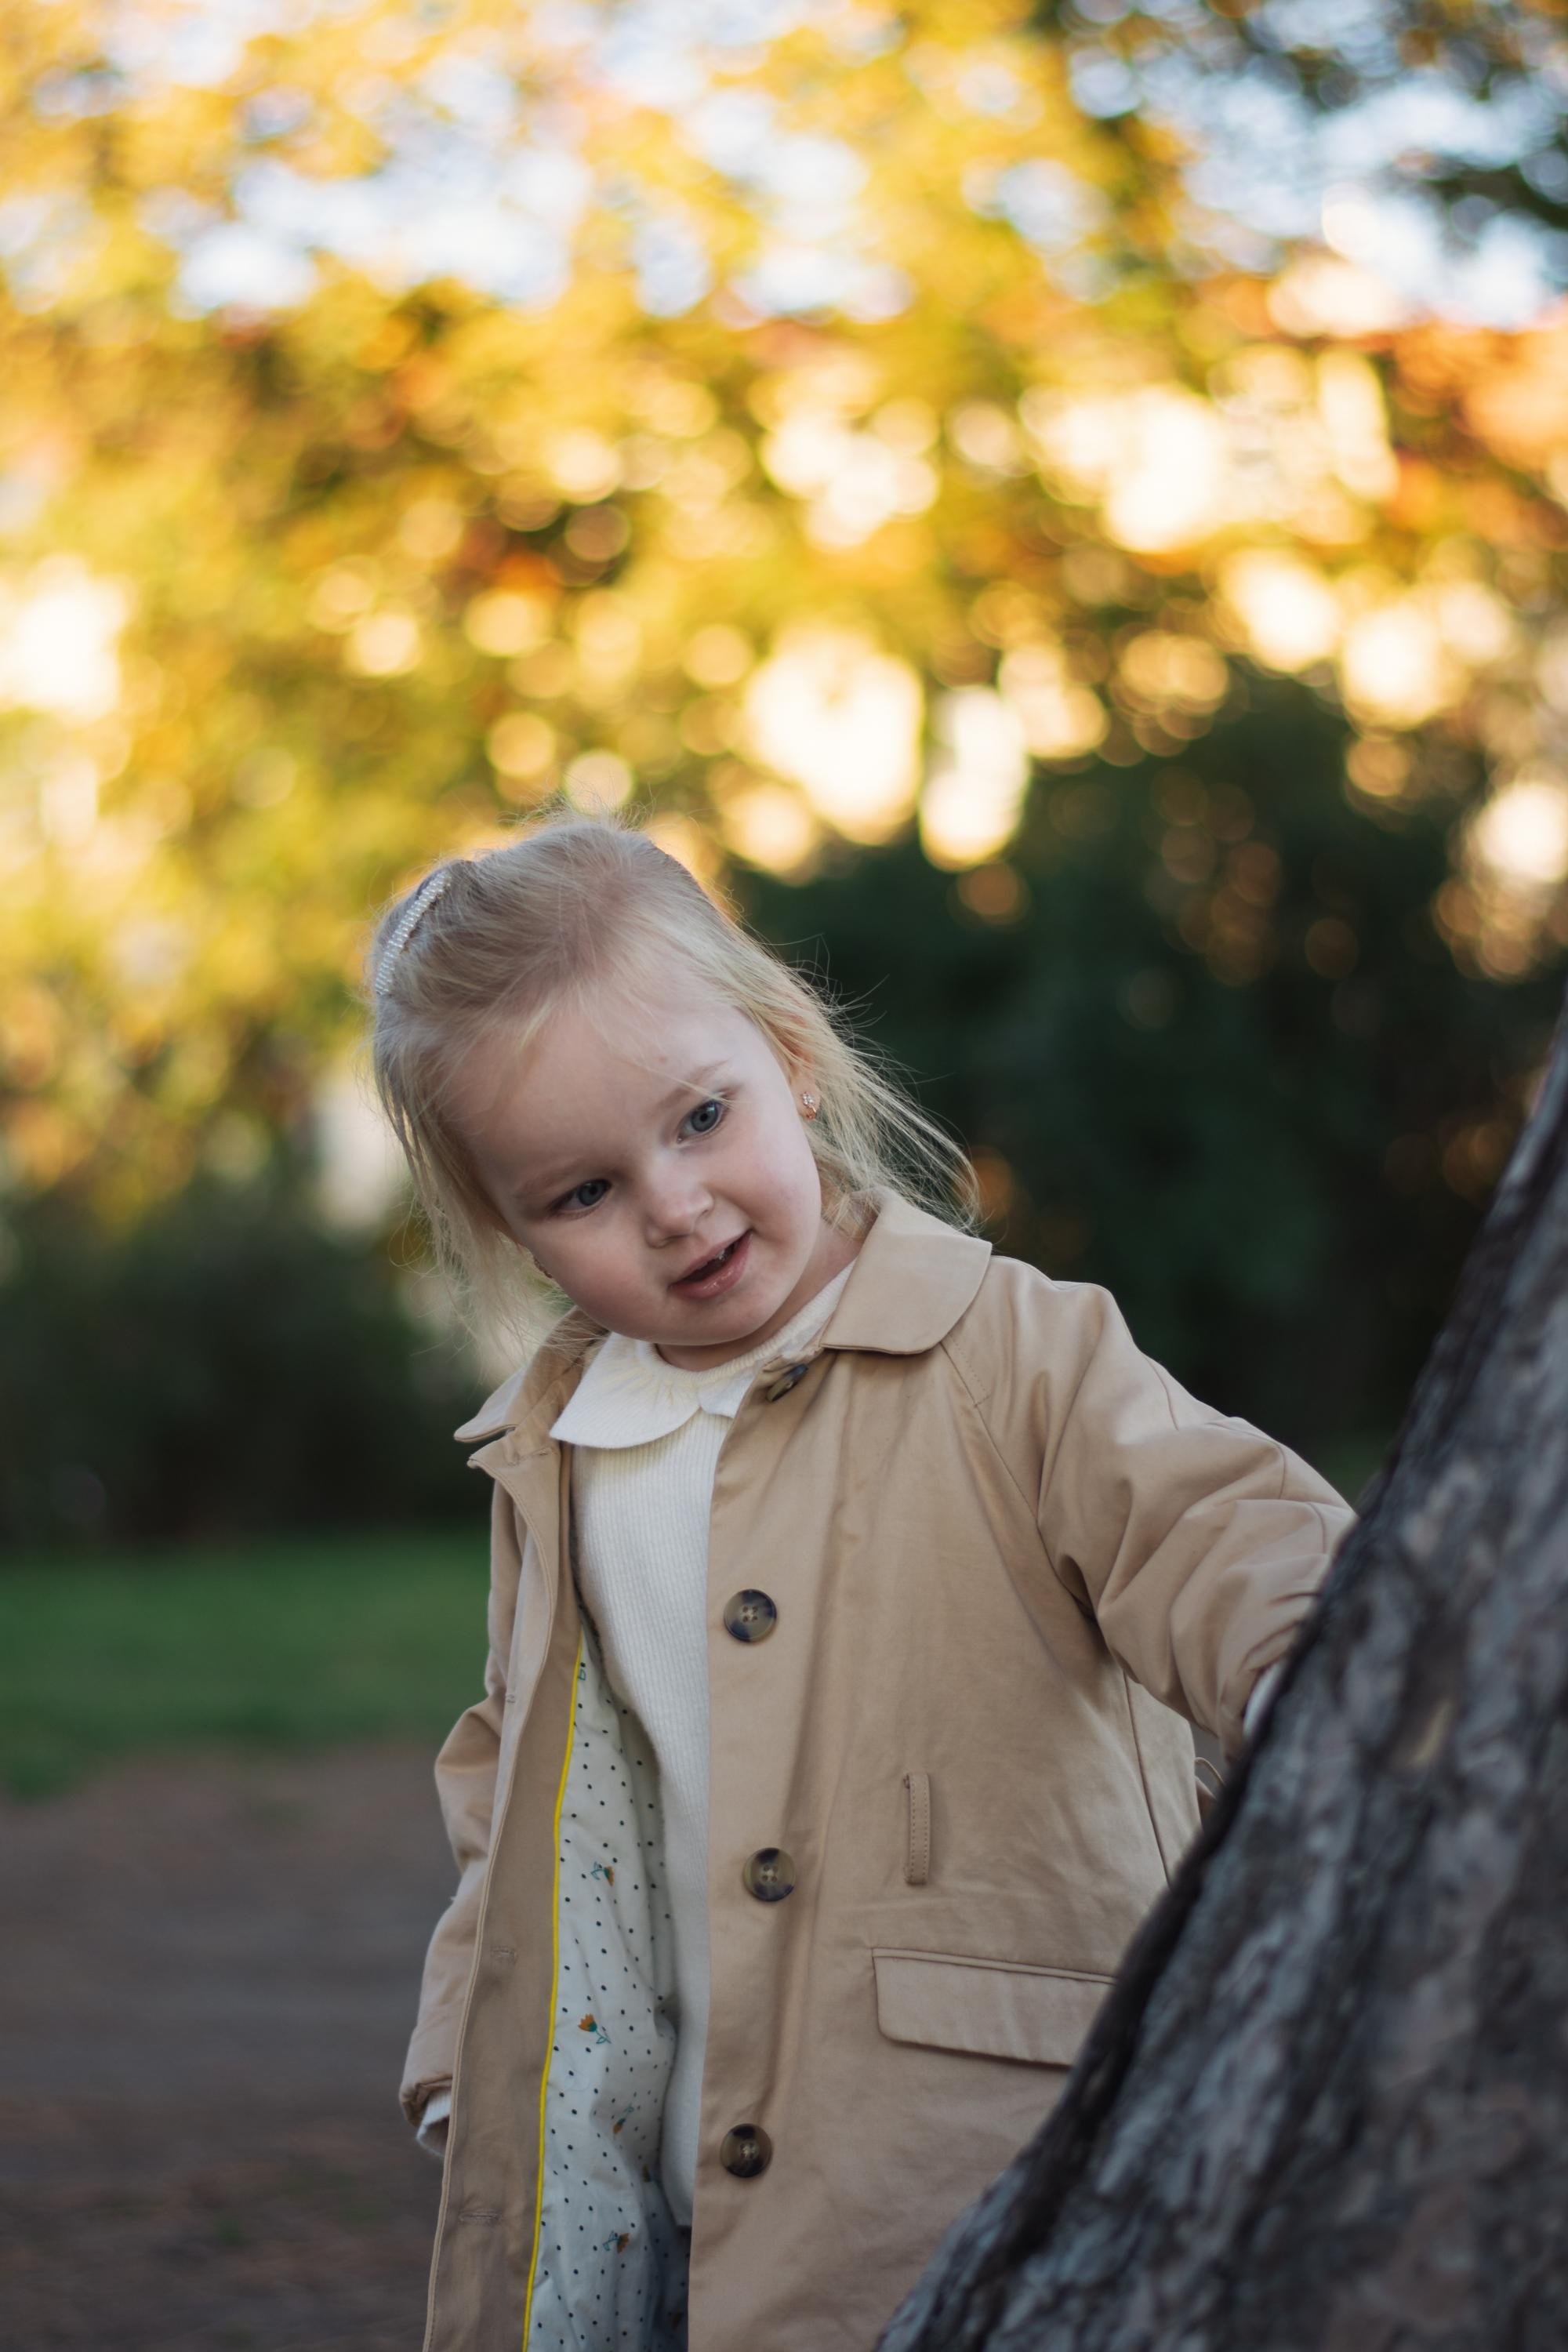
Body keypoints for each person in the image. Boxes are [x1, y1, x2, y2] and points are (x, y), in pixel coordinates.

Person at [365, 812, 1353, 2352]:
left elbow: (1205, 1520)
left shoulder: (1003, 1347)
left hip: (981, 2163)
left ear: (790, 1056)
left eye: (699, 1118)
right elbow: (518, 1794)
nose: (673, 1204)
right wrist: (465, 2058)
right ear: (510, 1229)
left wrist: (1316, 1669)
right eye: (581, 1193)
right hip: (693, 2204)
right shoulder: (562, 1451)